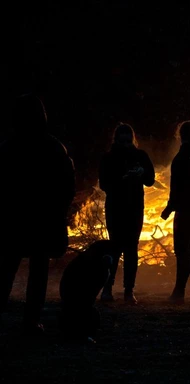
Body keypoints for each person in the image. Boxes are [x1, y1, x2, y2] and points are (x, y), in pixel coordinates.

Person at [0, 93, 76, 336]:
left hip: (15, 220)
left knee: (6, 268)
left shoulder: (8, 148)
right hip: (43, 220)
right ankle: (31, 319)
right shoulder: (53, 147)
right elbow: (67, 186)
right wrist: (61, 213)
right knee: (37, 270)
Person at [98, 123, 155, 304]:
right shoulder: (108, 158)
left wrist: (142, 172)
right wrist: (122, 179)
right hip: (115, 207)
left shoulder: (140, 155)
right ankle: (107, 288)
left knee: (131, 249)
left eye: (128, 140)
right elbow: (104, 184)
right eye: (122, 141)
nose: (125, 144)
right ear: (116, 140)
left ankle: (129, 291)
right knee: (114, 248)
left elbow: (150, 180)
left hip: (135, 208)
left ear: (132, 139)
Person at [161, 120, 190, 305]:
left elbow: (178, 185)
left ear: (180, 135)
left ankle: (180, 292)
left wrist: (171, 206)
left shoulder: (184, 155)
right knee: (187, 249)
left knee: (182, 250)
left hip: (185, 206)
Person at [59, 240, 113, 342]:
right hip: (75, 299)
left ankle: (74, 325)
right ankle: (79, 329)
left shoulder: (85, 260)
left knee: (84, 307)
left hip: (69, 298)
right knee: (84, 308)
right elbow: (89, 295)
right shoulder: (98, 269)